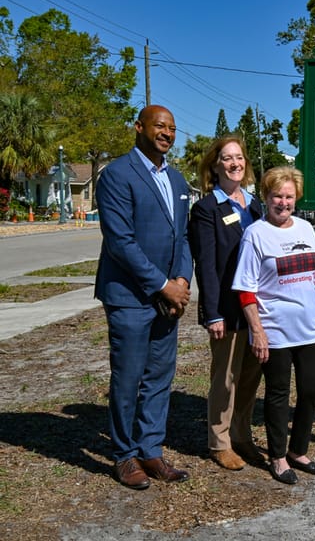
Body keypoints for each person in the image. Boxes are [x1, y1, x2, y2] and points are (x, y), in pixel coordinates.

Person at [95, 105, 193, 490]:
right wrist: (162, 285)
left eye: (172, 127)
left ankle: (151, 449)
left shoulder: (178, 180)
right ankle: (124, 456)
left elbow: (182, 237)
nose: (167, 132)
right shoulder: (117, 175)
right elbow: (120, 242)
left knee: (158, 377)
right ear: (139, 127)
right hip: (129, 297)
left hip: (168, 299)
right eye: (159, 126)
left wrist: (182, 280)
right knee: (128, 378)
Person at [232, 166, 315, 484]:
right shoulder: (255, 235)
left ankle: (298, 450)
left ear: (296, 198)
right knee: (278, 392)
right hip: (274, 329)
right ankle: (278, 457)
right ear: (266, 196)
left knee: (313, 386)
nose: (283, 202)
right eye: (277, 195)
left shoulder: (306, 228)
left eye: (289, 196)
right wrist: (257, 331)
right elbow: (246, 288)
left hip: (308, 327)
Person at [189, 136, 264, 471]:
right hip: (227, 308)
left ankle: (242, 433)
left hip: (259, 309)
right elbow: (205, 265)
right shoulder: (206, 209)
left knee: (251, 376)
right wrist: (212, 313)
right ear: (215, 165)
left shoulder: (257, 205)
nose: (235, 163)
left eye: (239, 157)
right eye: (227, 158)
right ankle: (219, 442)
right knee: (226, 377)